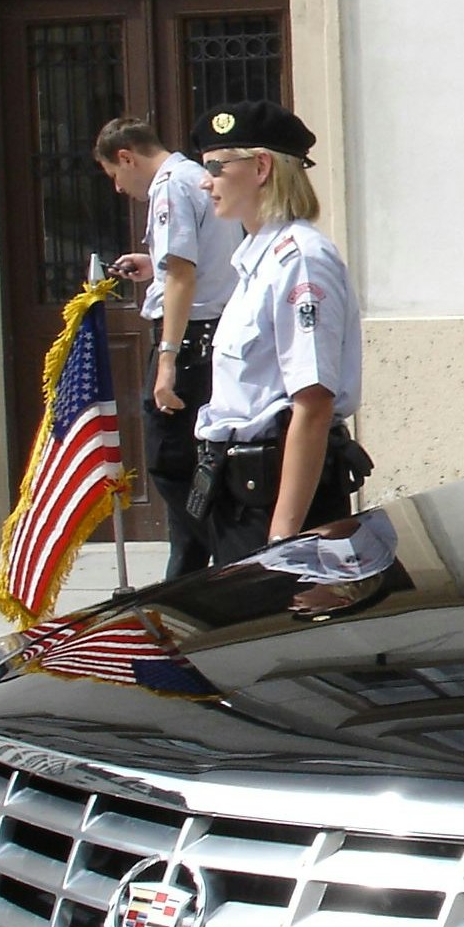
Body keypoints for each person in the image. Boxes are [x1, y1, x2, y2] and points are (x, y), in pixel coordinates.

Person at [185, 99, 370, 567]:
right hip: (235, 492)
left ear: (262, 166)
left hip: (273, 500)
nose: (205, 181)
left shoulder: (300, 259)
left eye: (216, 166)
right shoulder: (256, 259)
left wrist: (282, 540)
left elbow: (312, 400)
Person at [95, 117, 243, 578]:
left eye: (115, 176)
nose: (119, 189)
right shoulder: (197, 179)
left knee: (170, 463)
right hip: (214, 333)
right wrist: (150, 267)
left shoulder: (170, 186)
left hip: (191, 341)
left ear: (127, 157)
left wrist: (166, 360)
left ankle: (230, 562)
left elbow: (182, 274)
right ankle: (187, 573)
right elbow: (186, 264)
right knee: (197, 464)